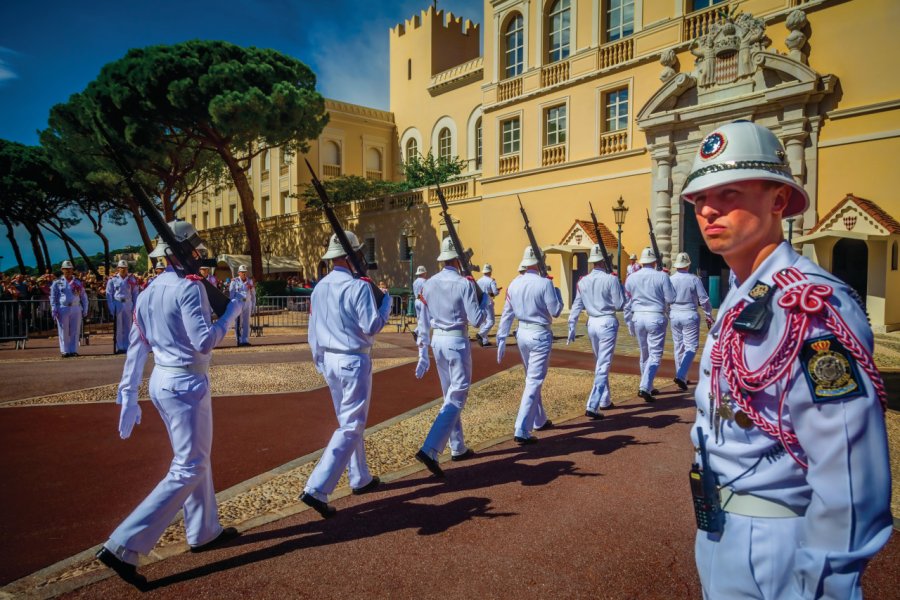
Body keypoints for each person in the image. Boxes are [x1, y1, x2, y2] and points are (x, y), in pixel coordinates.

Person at [681, 120, 892, 599]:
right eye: (698, 199)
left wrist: (825, 581)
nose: (709, 209)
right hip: (719, 524)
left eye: (729, 192)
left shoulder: (810, 306)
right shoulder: (743, 292)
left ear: (778, 200)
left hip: (779, 540)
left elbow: (850, 475)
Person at [95, 221, 244, 589]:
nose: (197, 255)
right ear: (182, 252)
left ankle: (204, 529)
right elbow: (204, 341)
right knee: (189, 464)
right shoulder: (190, 289)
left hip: (162, 379)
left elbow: (137, 347)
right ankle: (124, 544)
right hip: (187, 380)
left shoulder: (147, 292)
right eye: (193, 249)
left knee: (196, 457)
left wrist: (129, 393)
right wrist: (230, 314)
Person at [300, 231, 392, 518]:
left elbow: (312, 331)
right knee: (352, 425)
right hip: (353, 359)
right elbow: (371, 326)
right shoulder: (359, 287)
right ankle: (317, 487)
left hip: (329, 358)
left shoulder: (320, 287)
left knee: (347, 421)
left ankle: (359, 476)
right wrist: (387, 303)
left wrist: (319, 360)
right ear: (353, 255)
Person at [413, 237, 488, 477]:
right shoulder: (463, 283)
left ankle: (457, 446)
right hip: (456, 339)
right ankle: (431, 448)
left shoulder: (428, 284)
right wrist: (484, 302)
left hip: (437, 340)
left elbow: (422, 321)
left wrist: (422, 351)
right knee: (457, 395)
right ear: (458, 259)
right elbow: (477, 320)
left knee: (449, 394)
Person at [496, 247, 563, 444]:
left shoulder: (514, 283)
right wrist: (556, 292)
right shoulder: (544, 283)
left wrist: (501, 337)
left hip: (522, 332)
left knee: (531, 377)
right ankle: (522, 428)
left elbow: (507, 313)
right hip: (539, 332)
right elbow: (556, 311)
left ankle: (539, 419)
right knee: (534, 380)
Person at [567, 245, 625, 418]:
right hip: (606, 321)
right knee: (604, 364)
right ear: (604, 261)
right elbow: (619, 304)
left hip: (592, 322)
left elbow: (577, 304)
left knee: (600, 362)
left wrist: (572, 323)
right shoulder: (611, 279)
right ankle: (593, 405)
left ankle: (604, 399)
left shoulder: (583, 281)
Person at [624, 247, 675, 402]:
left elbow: (628, 297)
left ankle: (648, 385)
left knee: (644, 353)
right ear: (654, 261)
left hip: (638, 316)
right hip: (655, 316)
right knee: (655, 355)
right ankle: (645, 386)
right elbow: (671, 297)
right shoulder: (662, 276)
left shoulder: (631, 277)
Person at [668, 252, 713, 391]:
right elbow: (703, 299)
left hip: (674, 313)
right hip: (689, 313)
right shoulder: (694, 279)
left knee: (678, 346)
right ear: (688, 264)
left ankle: (682, 376)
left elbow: (666, 298)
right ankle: (681, 375)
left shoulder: (670, 279)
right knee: (692, 347)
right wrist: (709, 314)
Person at [49, 260, 88, 358]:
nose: (68, 271)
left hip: (75, 307)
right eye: (66, 269)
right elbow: (53, 297)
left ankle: (73, 350)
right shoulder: (57, 282)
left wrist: (85, 308)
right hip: (63, 307)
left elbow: (83, 296)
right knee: (63, 330)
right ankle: (65, 350)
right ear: (62, 270)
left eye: (70, 269)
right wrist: (54, 309)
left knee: (75, 330)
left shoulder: (78, 282)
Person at [106, 260, 140, 354]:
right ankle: (120, 347)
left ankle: (128, 346)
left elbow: (135, 293)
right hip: (118, 303)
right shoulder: (113, 279)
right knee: (119, 327)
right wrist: (111, 307)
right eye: (122, 268)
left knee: (128, 326)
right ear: (118, 268)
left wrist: (135, 306)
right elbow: (109, 294)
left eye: (125, 268)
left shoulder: (131, 279)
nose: (124, 270)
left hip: (128, 303)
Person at [229, 265, 255, 347]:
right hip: (238, 303)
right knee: (238, 322)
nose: (244, 273)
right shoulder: (235, 281)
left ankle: (245, 340)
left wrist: (253, 304)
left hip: (247, 303)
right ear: (239, 273)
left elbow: (253, 294)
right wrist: (233, 305)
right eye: (242, 272)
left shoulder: (250, 281)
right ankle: (239, 340)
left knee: (246, 322)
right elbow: (231, 294)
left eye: (245, 272)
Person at [475, 264, 501, 347]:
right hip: (488, 302)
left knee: (483, 321)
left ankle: (484, 341)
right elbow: (495, 293)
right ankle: (480, 334)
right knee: (491, 321)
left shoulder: (478, 281)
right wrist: (497, 291)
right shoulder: (491, 281)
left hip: (480, 302)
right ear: (490, 271)